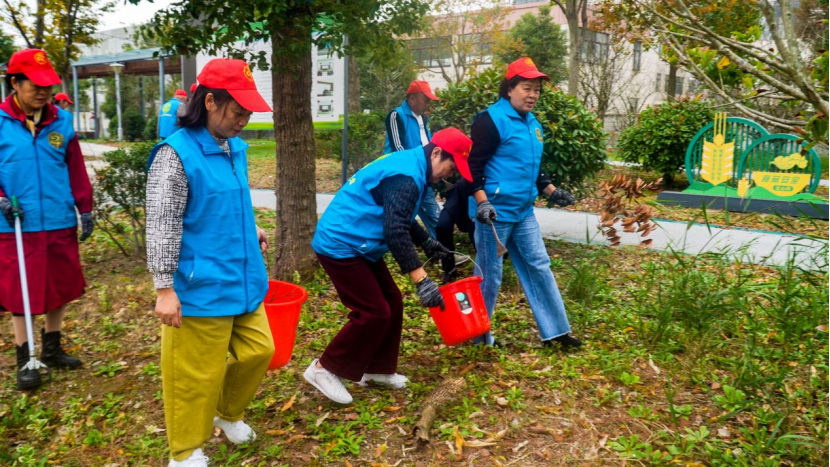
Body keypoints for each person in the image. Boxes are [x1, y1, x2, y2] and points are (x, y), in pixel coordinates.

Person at [146, 58, 274, 467]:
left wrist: (248, 228)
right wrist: (164, 288)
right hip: (200, 283)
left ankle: (227, 412)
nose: (245, 121)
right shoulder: (175, 154)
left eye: (249, 113)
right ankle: (184, 451)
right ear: (212, 101)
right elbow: (163, 222)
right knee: (193, 375)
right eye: (239, 112)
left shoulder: (233, 147)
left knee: (259, 351)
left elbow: (227, 200)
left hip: (242, 275)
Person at [306, 128, 473, 405]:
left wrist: (427, 243)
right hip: (341, 243)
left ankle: (377, 368)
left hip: (361, 244)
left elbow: (400, 214)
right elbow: (395, 230)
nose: (450, 175)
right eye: (450, 166)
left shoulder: (414, 168)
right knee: (374, 311)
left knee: (392, 302)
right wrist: (422, 280)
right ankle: (324, 368)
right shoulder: (407, 176)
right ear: (436, 153)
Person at [468, 57, 582, 349]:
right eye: (526, 88)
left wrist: (552, 191)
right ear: (509, 89)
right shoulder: (490, 121)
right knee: (490, 276)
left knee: (539, 265)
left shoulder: (534, 124)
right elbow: (472, 167)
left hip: (523, 212)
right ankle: (478, 337)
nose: (533, 95)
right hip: (493, 213)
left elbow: (533, 168)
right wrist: (482, 204)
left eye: (537, 90)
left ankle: (556, 332)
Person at [0, 48, 93, 390]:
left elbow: (76, 169)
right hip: (14, 223)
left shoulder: (62, 122)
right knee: (18, 290)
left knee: (60, 285)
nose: (43, 92)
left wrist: (85, 207)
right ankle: (26, 358)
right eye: (35, 85)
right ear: (14, 82)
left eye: (48, 86)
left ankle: (52, 347)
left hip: (57, 218)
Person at [384, 80, 442, 237]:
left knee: (435, 217)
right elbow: (398, 149)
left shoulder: (423, 119)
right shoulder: (396, 116)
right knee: (401, 220)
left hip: (423, 175)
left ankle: (446, 253)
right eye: (425, 99)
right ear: (412, 99)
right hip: (403, 178)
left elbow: (428, 145)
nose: (428, 103)